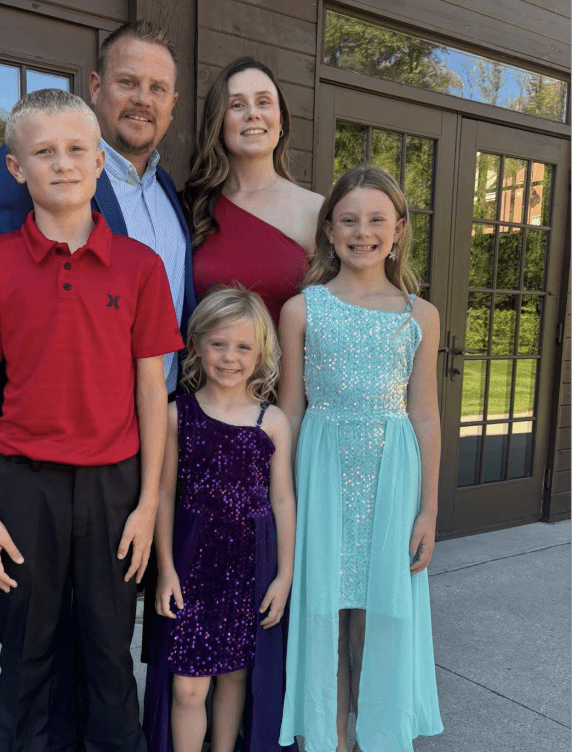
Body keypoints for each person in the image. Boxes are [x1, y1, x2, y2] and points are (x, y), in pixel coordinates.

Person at [0, 89, 183, 751]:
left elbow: (152, 392)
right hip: (23, 486)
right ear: (16, 168)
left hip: (114, 488)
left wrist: (148, 504)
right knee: (27, 652)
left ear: (98, 162)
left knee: (109, 651)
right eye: (44, 151)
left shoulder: (140, 267)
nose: (62, 163)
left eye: (76, 149)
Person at [0, 19, 196, 469]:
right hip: (52, 446)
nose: (143, 99)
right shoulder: (45, 171)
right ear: (96, 87)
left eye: (158, 88)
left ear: (172, 104)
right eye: (128, 82)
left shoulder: (168, 195)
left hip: (157, 428)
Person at [277, 166, 444, 752]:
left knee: (378, 617)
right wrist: (282, 494)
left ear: (398, 230)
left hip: (391, 480)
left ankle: (378, 738)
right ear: (329, 230)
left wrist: (429, 510)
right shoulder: (302, 310)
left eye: (376, 220)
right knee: (325, 616)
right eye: (348, 220)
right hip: (321, 475)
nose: (362, 232)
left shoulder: (419, 315)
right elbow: (289, 411)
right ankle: (330, 741)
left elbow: (425, 415)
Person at [143, 287, 297, 752]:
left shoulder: (272, 421)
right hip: (192, 565)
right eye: (219, 344)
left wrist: (284, 576)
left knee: (235, 676)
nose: (230, 357)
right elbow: (163, 495)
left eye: (244, 346)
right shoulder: (177, 415)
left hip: (249, 566)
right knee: (188, 686)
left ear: (261, 354)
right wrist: (165, 569)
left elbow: (283, 500)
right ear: (196, 345)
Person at [184, 56, 322, 326]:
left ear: (280, 121)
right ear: (219, 123)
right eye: (237, 105)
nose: (252, 114)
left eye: (263, 102)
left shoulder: (315, 210)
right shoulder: (190, 207)